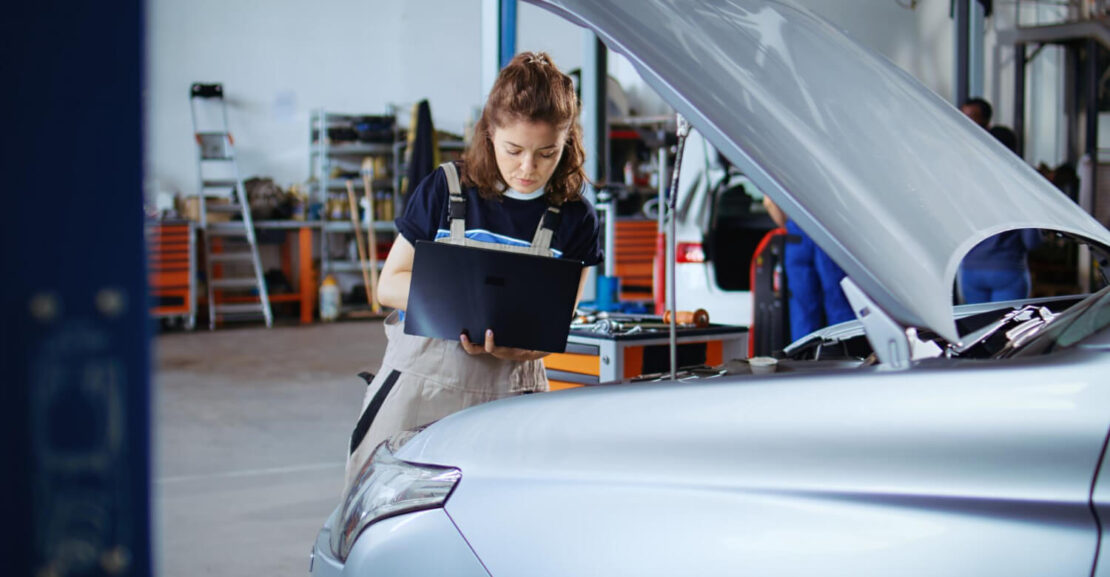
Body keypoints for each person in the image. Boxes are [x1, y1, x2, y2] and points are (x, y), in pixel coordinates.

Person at [343, 52, 603, 493]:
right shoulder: (445, 190)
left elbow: (563, 312)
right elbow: (389, 284)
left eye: (547, 153)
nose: (527, 168)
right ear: (490, 134)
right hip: (420, 381)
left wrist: (525, 349)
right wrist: (465, 304)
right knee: (379, 500)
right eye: (514, 150)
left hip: (512, 391)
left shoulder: (577, 218)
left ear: (568, 141)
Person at [957, 99, 1042, 304]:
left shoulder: (966, 178)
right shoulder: (1020, 182)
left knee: (978, 332)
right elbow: (1031, 240)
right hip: (1008, 268)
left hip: (970, 269)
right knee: (1010, 332)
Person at [762, 196, 854, 342]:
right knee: (838, 301)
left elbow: (769, 202)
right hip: (829, 233)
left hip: (797, 237)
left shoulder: (788, 173)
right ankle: (850, 353)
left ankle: (804, 357)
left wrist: (788, 225)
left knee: (802, 310)